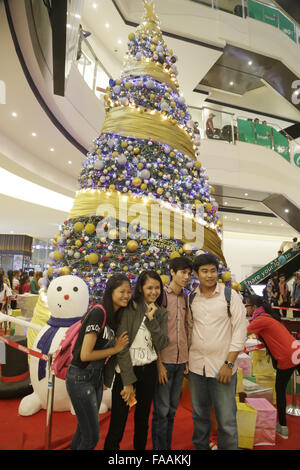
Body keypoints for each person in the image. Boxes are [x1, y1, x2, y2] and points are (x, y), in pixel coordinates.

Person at [186, 253, 247, 450]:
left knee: (226, 419)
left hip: (222, 367)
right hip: (197, 368)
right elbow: (189, 329)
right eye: (204, 271)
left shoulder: (230, 296)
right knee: (200, 416)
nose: (210, 275)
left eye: (213, 270)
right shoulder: (192, 298)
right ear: (197, 274)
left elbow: (240, 331)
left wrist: (229, 364)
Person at [104, 270, 169, 451]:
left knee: (142, 422)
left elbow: (162, 342)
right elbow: (122, 347)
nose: (153, 292)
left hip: (148, 372)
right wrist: (128, 381)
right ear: (140, 288)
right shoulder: (129, 307)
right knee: (118, 423)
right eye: (149, 287)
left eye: (157, 288)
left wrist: (151, 319)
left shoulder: (161, 312)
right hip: (126, 371)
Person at [65, 274, 131, 450]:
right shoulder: (98, 312)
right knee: (92, 438)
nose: (126, 295)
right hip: (80, 377)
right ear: (111, 292)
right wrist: (115, 349)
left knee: (83, 431)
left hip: (95, 378)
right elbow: (85, 354)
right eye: (122, 291)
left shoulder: (115, 316)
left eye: (129, 292)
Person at [152, 256, 193, 450]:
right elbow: (155, 331)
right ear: (172, 272)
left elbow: (187, 327)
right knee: (162, 411)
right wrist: (158, 363)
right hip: (164, 361)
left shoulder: (186, 296)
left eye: (188, 273)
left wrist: (186, 360)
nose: (186, 276)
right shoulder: (162, 296)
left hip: (180, 361)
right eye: (182, 272)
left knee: (172, 410)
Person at [246, 295, 300, 439]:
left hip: (287, 357)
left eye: (247, 306)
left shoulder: (260, 320)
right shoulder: (268, 316)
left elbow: (243, 333)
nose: (247, 309)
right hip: (297, 351)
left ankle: (283, 428)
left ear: (255, 307)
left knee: (280, 390)